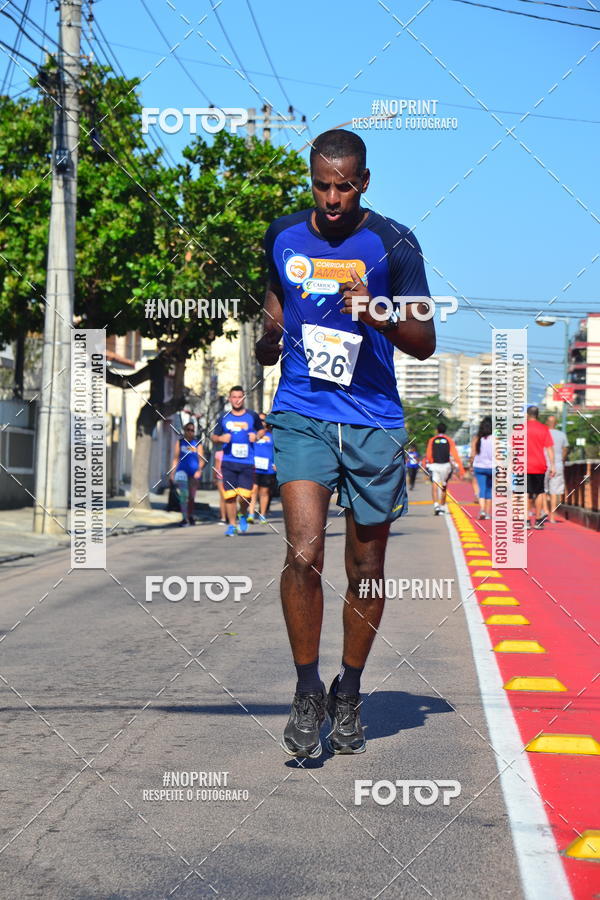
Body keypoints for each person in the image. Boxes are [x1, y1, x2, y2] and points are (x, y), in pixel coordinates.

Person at [255, 129, 435, 758]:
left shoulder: (395, 243)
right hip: (302, 409)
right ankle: (308, 690)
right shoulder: (282, 234)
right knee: (304, 553)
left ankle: (349, 690)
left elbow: (425, 339)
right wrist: (268, 336)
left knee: (366, 566)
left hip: (372, 419)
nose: (331, 199)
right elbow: (277, 295)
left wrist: (378, 312)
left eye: (344, 186)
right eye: (321, 185)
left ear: (364, 182)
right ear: (311, 180)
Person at [211, 386, 264, 537]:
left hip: (247, 463)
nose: (237, 400)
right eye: (234, 397)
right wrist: (221, 438)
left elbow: (261, 429)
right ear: (229, 399)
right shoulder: (223, 416)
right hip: (228, 462)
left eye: (240, 397)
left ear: (243, 398)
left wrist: (257, 436)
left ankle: (242, 514)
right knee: (230, 496)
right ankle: (232, 525)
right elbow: (213, 437)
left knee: (245, 496)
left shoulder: (252, 416)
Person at [169, 421, 205, 526]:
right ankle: (184, 518)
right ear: (184, 431)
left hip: (194, 473)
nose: (190, 432)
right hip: (181, 472)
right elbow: (175, 459)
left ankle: (190, 515)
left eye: (192, 430)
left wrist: (199, 470)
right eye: (188, 430)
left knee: (192, 497)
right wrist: (172, 473)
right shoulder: (180, 443)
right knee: (184, 495)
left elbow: (201, 460)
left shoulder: (197, 443)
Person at [425, 422, 465, 515]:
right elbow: (455, 454)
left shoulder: (432, 440)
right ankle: (442, 507)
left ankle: (436, 506)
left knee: (434, 485)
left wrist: (429, 463)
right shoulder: (449, 440)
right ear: (445, 430)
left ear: (437, 430)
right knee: (444, 486)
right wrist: (460, 468)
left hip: (435, 465)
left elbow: (428, 454)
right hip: (446, 466)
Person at [526, 405, 555, 529]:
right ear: (537, 415)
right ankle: (538, 520)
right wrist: (553, 466)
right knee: (539, 492)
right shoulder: (544, 429)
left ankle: (526, 521)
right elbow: (549, 448)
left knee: (525, 493)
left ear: (527, 415)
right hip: (539, 465)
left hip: (523, 465)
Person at [248, 413, 276, 524]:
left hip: (267, 467)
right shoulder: (252, 434)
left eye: (264, 420)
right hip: (254, 466)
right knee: (253, 490)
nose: (262, 422)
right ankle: (250, 514)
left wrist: (275, 463)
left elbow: (275, 450)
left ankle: (262, 514)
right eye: (259, 420)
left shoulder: (272, 435)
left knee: (264, 492)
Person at [544, 414, 568, 523]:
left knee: (542, 490)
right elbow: (565, 450)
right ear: (556, 423)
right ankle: (552, 517)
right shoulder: (562, 434)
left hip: (543, 464)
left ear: (546, 423)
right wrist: (561, 460)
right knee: (555, 492)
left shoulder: (543, 433)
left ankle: (544, 511)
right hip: (557, 465)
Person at [470, 417, 493, 519]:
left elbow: (473, 453)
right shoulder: (495, 439)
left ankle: (482, 510)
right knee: (489, 490)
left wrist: (471, 465)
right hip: (492, 467)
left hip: (479, 466)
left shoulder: (477, 438)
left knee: (482, 489)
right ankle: (487, 513)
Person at [213, 447, 227, 523]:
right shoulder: (218, 454)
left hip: (230, 477)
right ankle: (223, 517)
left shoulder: (231, 454)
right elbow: (216, 467)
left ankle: (227, 516)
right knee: (223, 497)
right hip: (221, 477)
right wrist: (214, 477)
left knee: (228, 497)